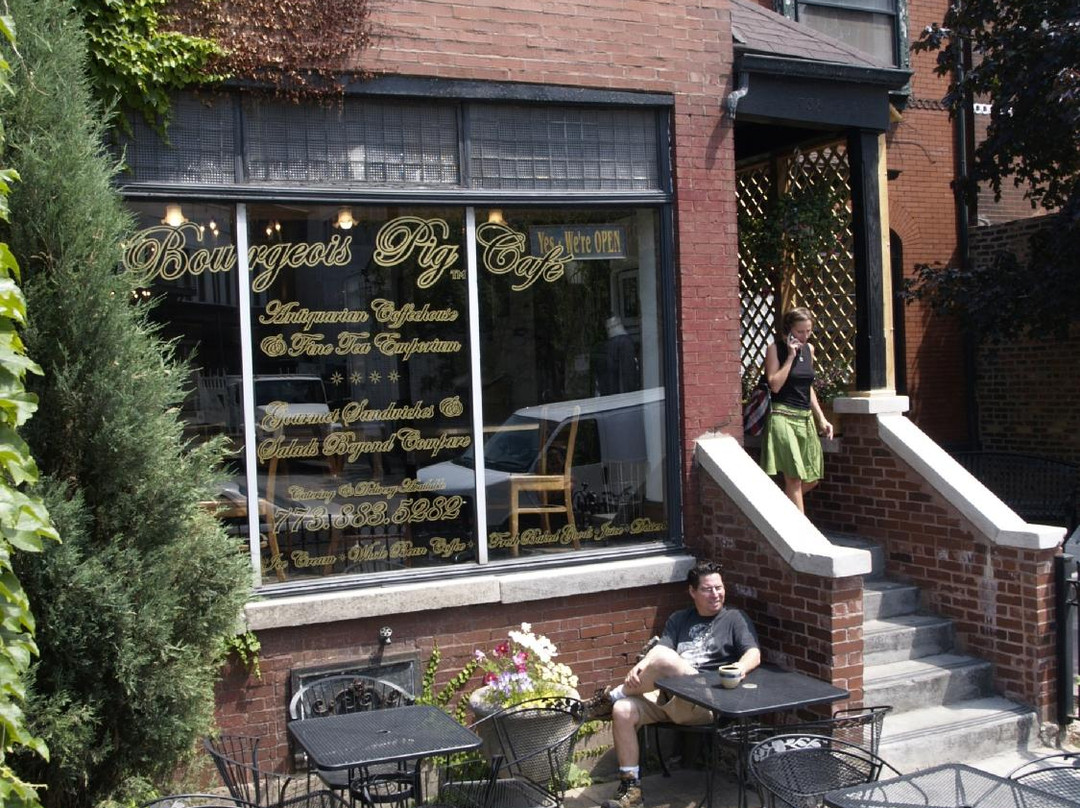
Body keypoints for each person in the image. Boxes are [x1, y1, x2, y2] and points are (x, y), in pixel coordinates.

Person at [583, 561, 760, 808]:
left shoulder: (734, 618)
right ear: (692, 592)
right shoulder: (679, 619)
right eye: (707, 589)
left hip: (706, 700)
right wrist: (643, 665)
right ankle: (631, 789)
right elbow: (659, 652)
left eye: (719, 588)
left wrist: (738, 669)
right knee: (623, 711)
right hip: (671, 694)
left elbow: (754, 653)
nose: (715, 594)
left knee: (665, 658)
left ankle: (611, 697)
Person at [759, 306, 833, 513]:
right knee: (794, 479)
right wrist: (790, 357)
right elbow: (774, 384)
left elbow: (807, 386)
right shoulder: (775, 349)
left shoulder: (809, 350)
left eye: (808, 331)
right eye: (800, 331)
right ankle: (802, 529)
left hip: (804, 418)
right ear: (789, 329)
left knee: (812, 478)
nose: (804, 336)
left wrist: (821, 418)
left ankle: (775, 510)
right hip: (782, 416)